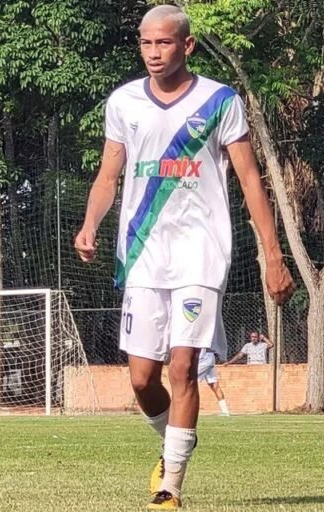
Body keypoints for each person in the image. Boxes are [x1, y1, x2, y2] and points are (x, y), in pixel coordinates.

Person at [73, 5, 294, 509]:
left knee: (183, 365)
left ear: (187, 46)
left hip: (201, 252)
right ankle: (171, 441)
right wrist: (89, 225)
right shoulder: (124, 102)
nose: (153, 53)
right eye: (146, 43)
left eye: (164, 43)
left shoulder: (220, 100)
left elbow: (248, 179)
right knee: (141, 378)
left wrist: (272, 254)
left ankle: (171, 485)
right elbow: (109, 176)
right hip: (143, 253)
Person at [197, 349, 230, 416]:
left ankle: (188, 409)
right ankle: (225, 411)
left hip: (203, 357)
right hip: (210, 356)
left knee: (189, 381)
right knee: (214, 385)